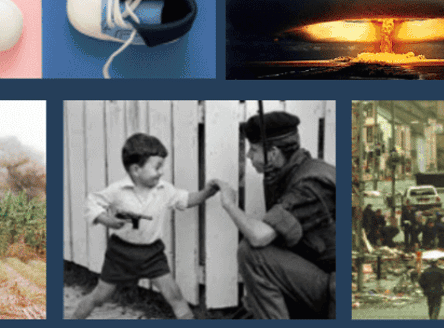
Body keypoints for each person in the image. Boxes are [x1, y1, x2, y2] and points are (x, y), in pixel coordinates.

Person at [73, 133, 221, 319]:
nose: (161, 172)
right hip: (120, 253)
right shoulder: (118, 190)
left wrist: (207, 192)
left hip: (152, 254)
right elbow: (92, 201)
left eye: (162, 167)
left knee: (175, 296)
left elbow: (187, 199)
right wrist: (106, 220)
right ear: (136, 169)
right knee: (100, 297)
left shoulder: (164, 190)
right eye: (157, 167)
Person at [205, 110, 335, 318]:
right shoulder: (296, 172)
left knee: (253, 253)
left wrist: (229, 204)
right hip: (328, 278)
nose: (248, 155)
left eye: (253, 149)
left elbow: (259, 237)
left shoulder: (310, 185)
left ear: (273, 154)